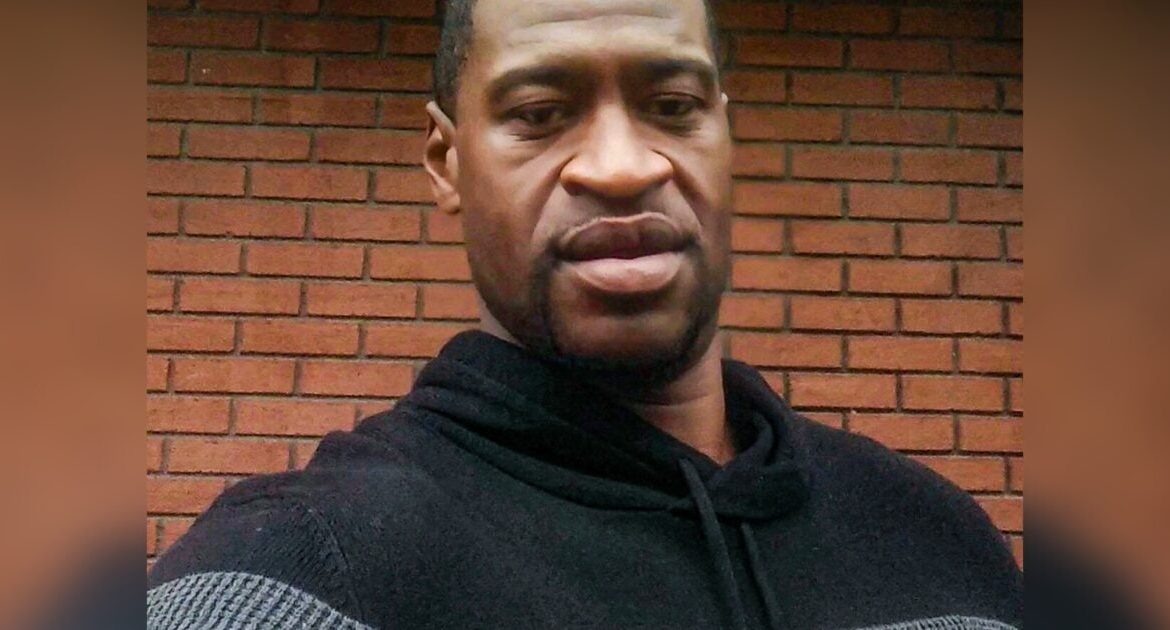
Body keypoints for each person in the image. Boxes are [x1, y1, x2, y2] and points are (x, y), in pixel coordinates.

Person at [147, 0, 1024, 628]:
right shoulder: (300, 577)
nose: (621, 166)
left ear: (725, 134)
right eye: (540, 114)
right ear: (446, 161)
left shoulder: (943, 547)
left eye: (673, 107)